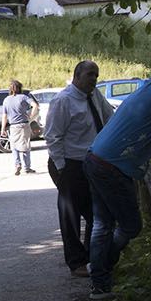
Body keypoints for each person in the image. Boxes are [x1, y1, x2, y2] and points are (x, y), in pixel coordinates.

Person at [84, 58, 151, 299]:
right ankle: (101, 269)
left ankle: (99, 278)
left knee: (102, 224)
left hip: (95, 157)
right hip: (113, 166)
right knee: (130, 225)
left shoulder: (146, 88)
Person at [43, 60, 112, 278]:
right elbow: (53, 136)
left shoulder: (95, 96)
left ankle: (95, 257)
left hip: (94, 161)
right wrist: (63, 169)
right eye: (90, 74)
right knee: (70, 215)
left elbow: (109, 119)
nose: (94, 79)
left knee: (98, 213)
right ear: (77, 75)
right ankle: (77, 263)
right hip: (70, 163)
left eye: (97, 75)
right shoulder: (63, 100)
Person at [0, 80, 39, 175]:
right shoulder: (23, 97)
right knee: (25, 146)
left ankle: (17, 164)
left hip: (12, 126)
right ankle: (27, 167)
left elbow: (4, 115)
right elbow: (35, 105)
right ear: (20, 88)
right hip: (23, 124)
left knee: (14, 146)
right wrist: (31, 116)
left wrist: (2, 129)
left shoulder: (6, 100)